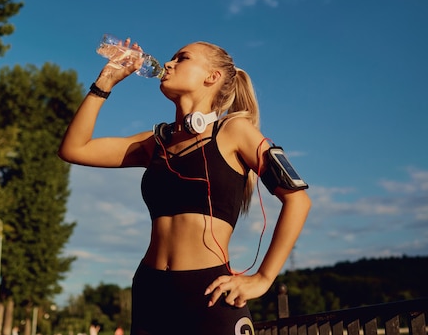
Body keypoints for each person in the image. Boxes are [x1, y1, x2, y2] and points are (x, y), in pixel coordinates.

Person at [59, 38, 311, 335]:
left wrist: (263, 278)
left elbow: (298, 200)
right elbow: (74, 149)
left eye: (182, 58)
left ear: (212, 77)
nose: (168, 63)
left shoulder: (234, 130)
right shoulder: (154, 143)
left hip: (208, 291)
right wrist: (105, 83)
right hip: (150, 289)